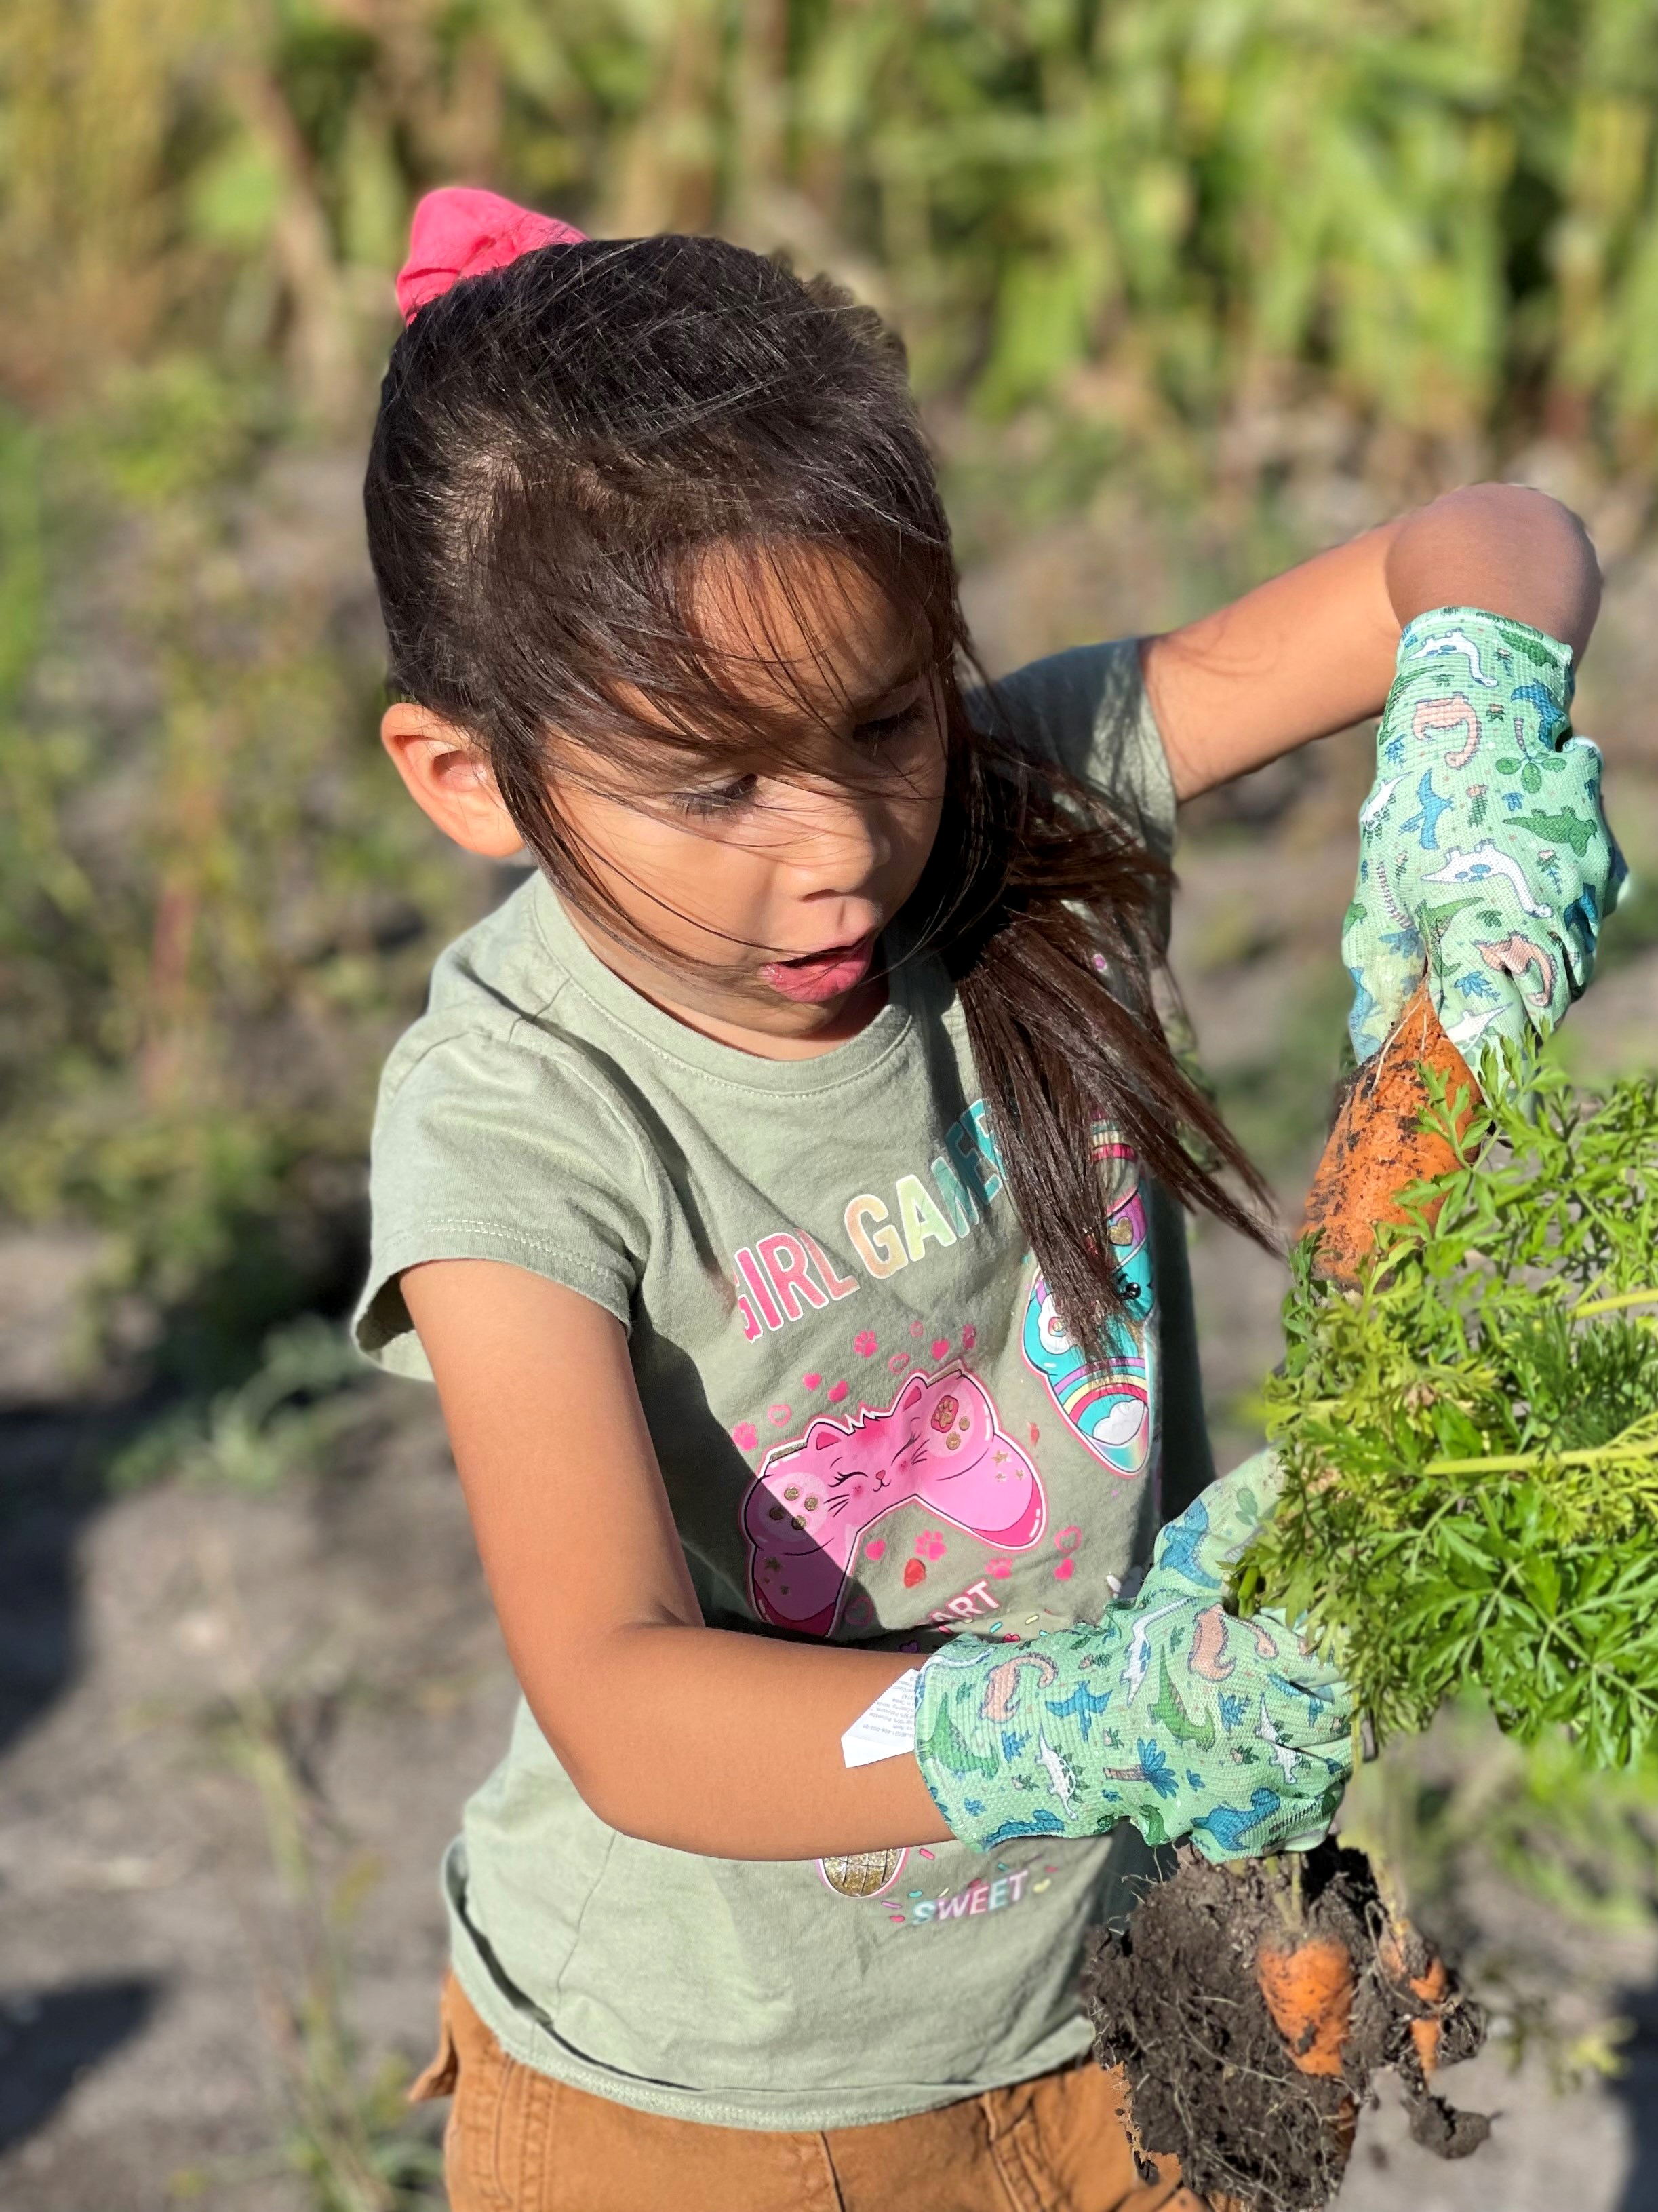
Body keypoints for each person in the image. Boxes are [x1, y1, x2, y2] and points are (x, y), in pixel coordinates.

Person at [354, 187, 1619, 2212]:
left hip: (1129, 1993)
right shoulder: (516, 1119)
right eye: (715, 784)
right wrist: (1102, 1715)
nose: (842, 846)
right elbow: (620, 1704)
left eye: (884, 724)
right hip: (725, 2100)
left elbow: (1487, 537)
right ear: (471, 780)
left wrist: (1471, 729)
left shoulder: (1018, 810)